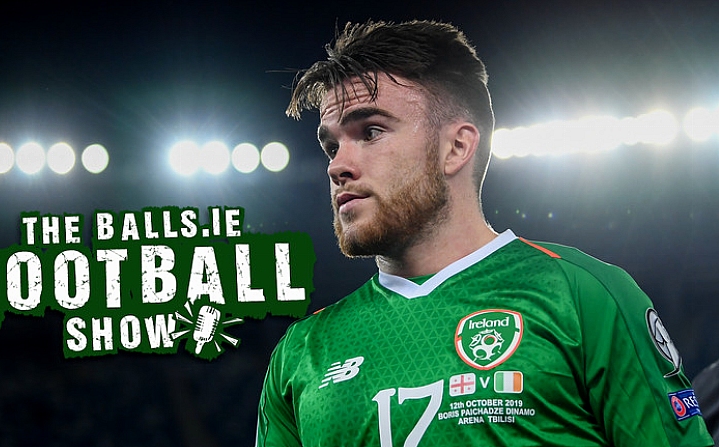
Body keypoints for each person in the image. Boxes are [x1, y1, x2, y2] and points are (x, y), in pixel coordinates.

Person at [255, 20, 714, 446]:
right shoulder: (301, 352)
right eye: (331, 145)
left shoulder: (583, 295)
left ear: (457, 147)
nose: (337, 165)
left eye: (371, 132)